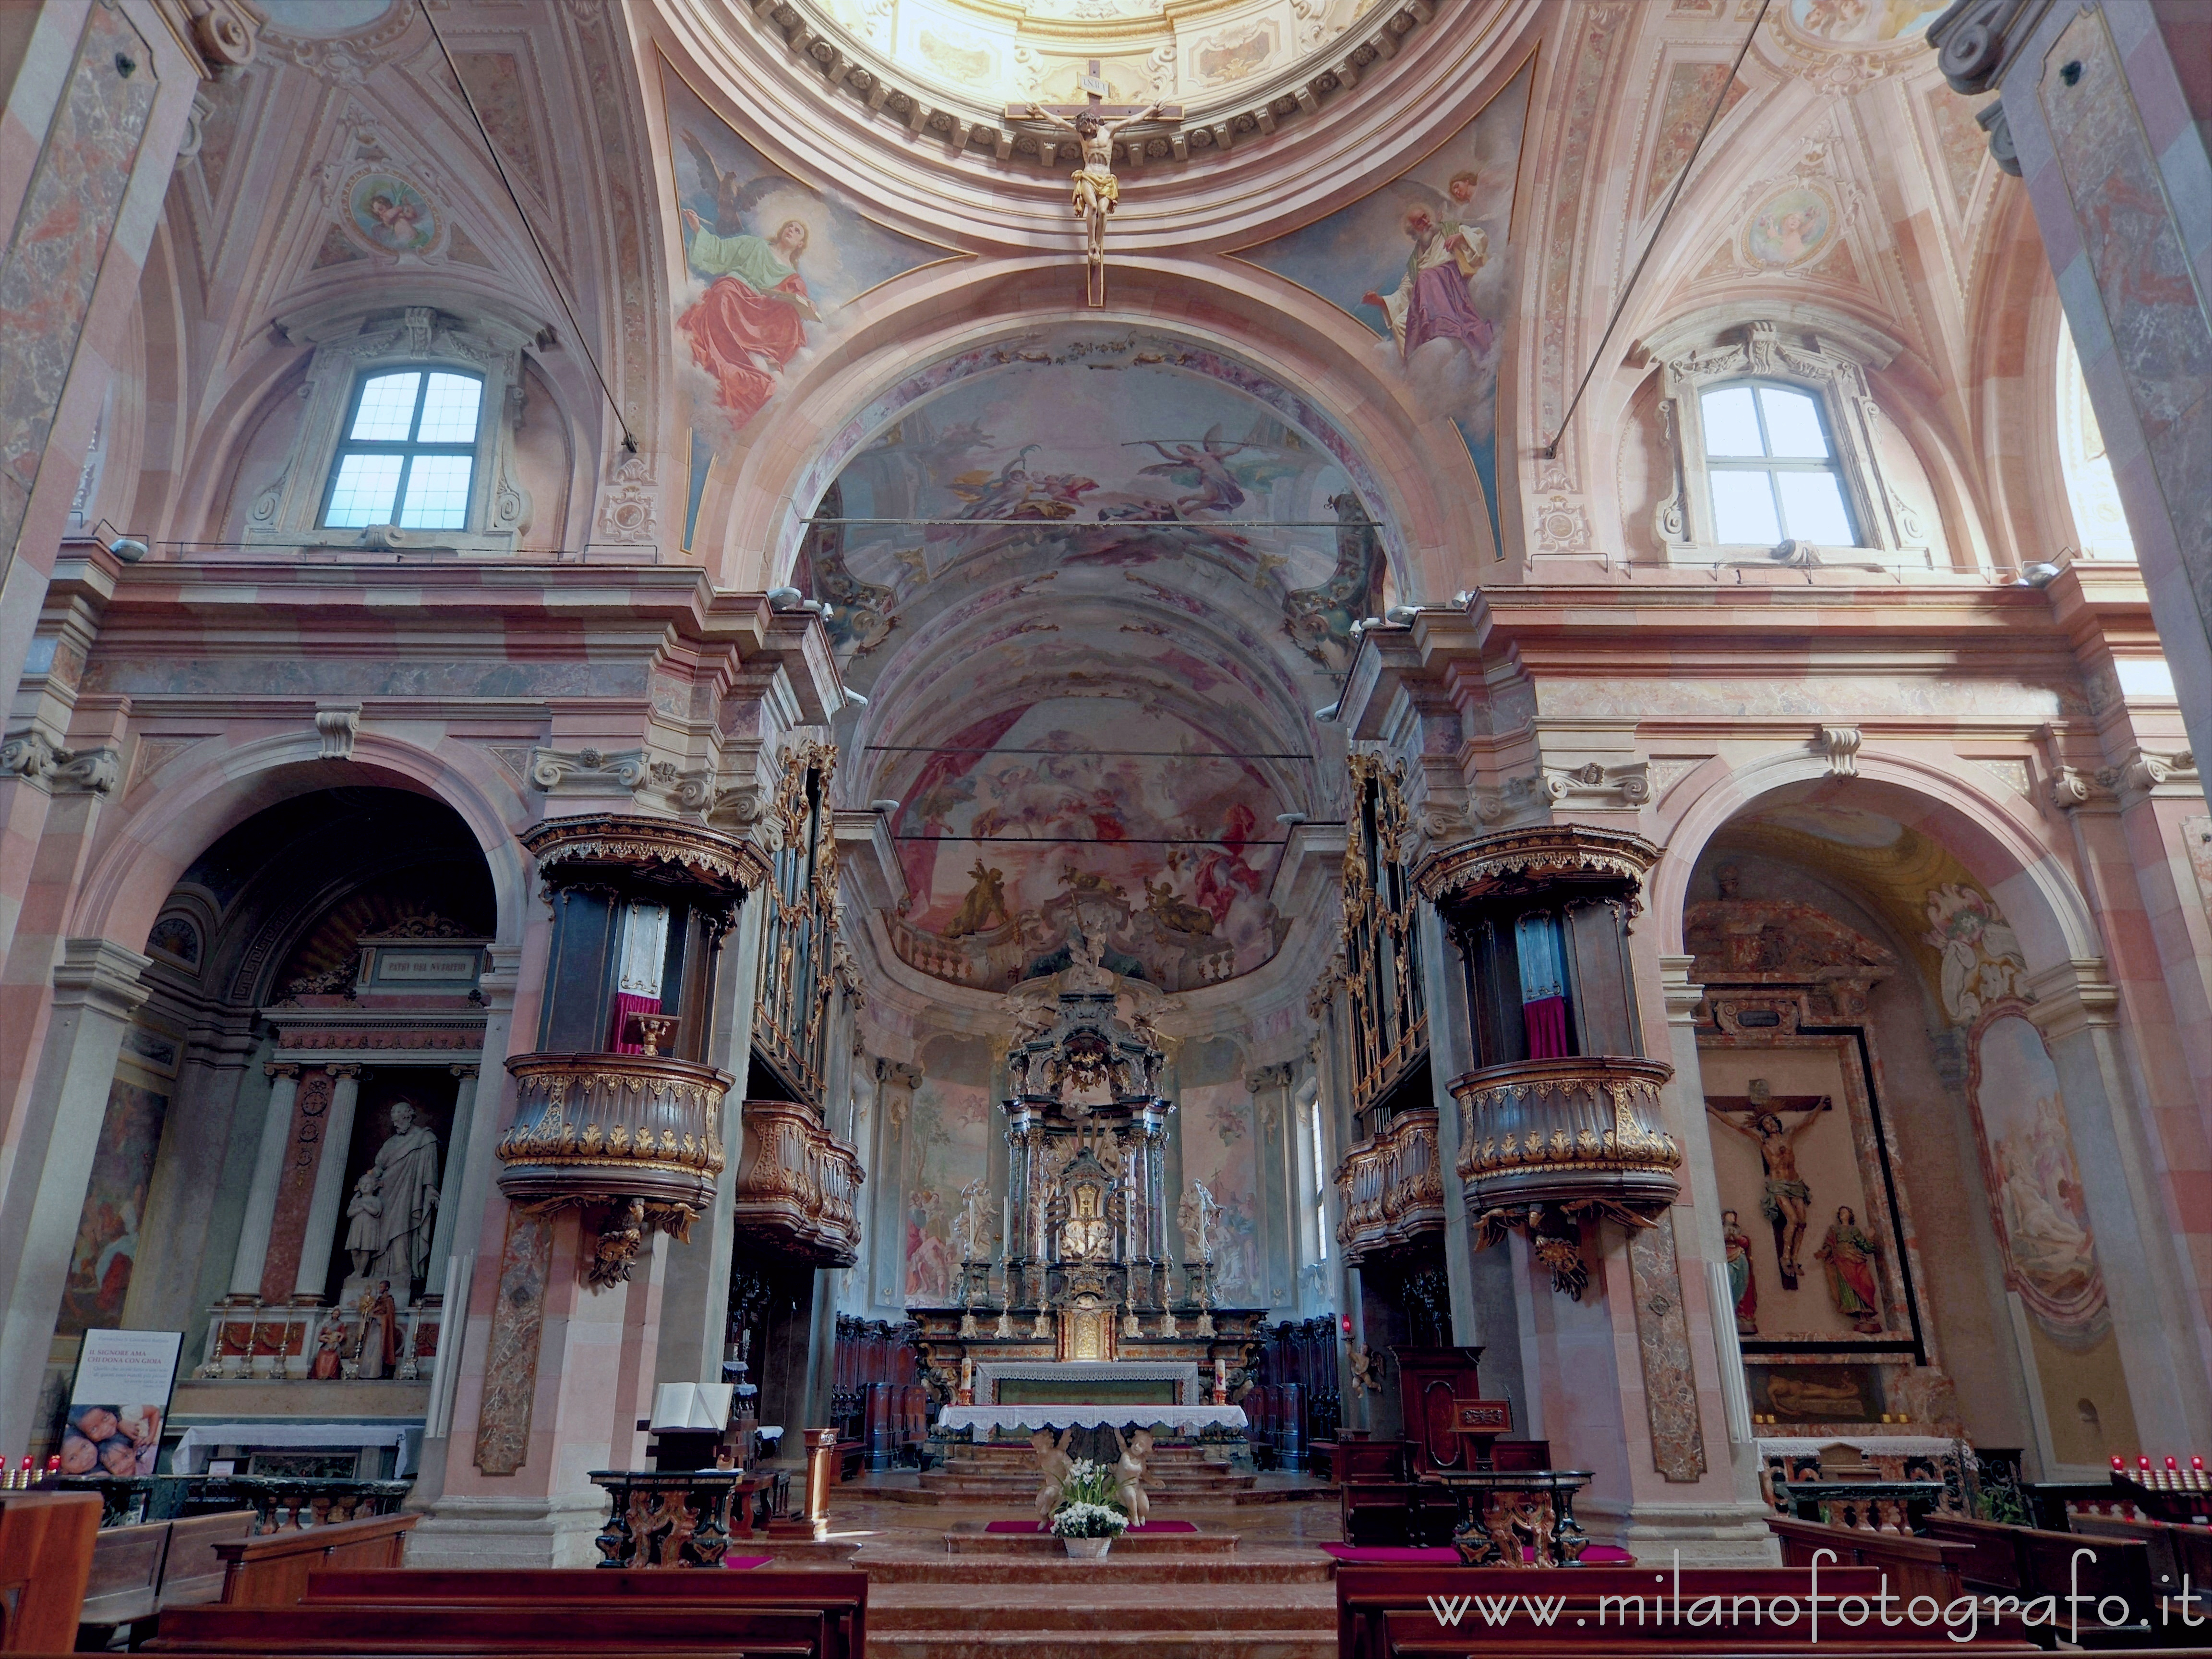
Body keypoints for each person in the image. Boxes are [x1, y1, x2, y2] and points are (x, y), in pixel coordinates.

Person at [677, 211, 821, 427]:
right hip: (736, 291)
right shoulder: (755, 246)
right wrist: (698, 228)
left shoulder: (793, 277)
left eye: (797, 230)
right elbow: (721, 250)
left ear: (801, 244)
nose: (791, 230)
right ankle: (728, 353)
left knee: (790, 317)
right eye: (789, 226)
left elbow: (798, 301)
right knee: (724, 292)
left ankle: (764, 353)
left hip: (760, 308)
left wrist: (809, 304)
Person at [364, 1102, 439, 1293]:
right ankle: (380, 1271)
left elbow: (430, 1168)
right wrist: (370, 1178)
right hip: (386, 1191)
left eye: (397, 1114)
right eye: (392, 1115)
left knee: (402, 1226)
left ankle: (402, 1267)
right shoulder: (390, 1143)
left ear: (408, 1115)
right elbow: (379, 1166)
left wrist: (431, 1189)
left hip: (410, 1190)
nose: (394, 1120)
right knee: (382, 1231)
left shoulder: (425, 1139)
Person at [1816, 1205, 1884, 1333]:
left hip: (1856, 1260)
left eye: (1845, 1212)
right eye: (1841, 1213)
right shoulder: (1835, 1230)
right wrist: (1825, 1253)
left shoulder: (1854, 1230)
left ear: (1850, 1215)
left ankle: (1867, 1314)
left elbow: (1867, 1247)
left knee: (1866, 1284)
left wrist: (1870, 1237)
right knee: (1850, 1287)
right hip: (1842, 1262)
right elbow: (1830, 1246)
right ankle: (1861, 1316)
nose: (1843, 1214)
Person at [1721, 1209, 1757, 1335]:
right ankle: (1732, 1314)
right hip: (1727, 1259)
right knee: (1730, 1283)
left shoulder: (1739, 1234)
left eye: (1734, 1217)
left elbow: (1745, 1243)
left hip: (1740, 1260)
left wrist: (1737, 1238)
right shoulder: (1720, 1233)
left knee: (1744, 1285)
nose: (1732, 1219)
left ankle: (1743, 1317)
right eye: (1729, 1217)